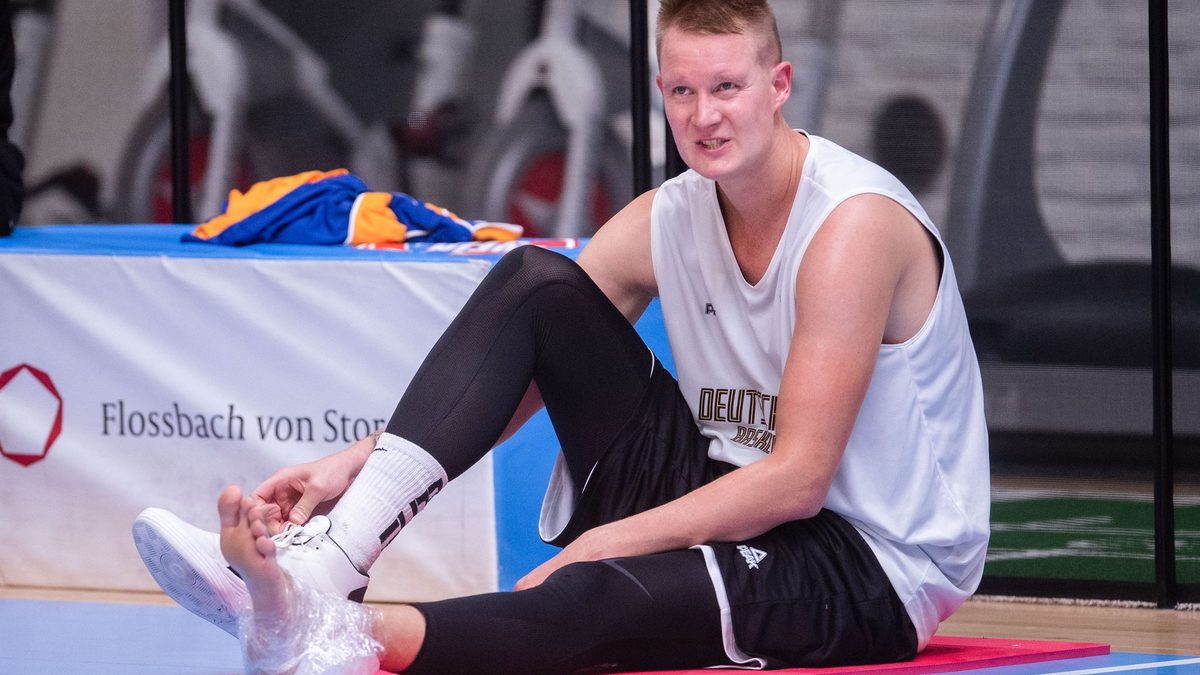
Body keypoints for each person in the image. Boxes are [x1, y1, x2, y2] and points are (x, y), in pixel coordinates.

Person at [136, 0, 990, 672]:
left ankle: (329, 634)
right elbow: (530, 349)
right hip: (726, 486)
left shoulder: (851, 227)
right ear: (661, 92)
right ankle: (328, 562)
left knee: (597, 591)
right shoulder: (676, 211)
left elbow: (800, 481)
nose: (706, 116)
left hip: (866, 564)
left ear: (778, 86)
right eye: (683, 91)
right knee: (539, 282)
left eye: (728, 87)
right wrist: (347, 464)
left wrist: (602, 539)